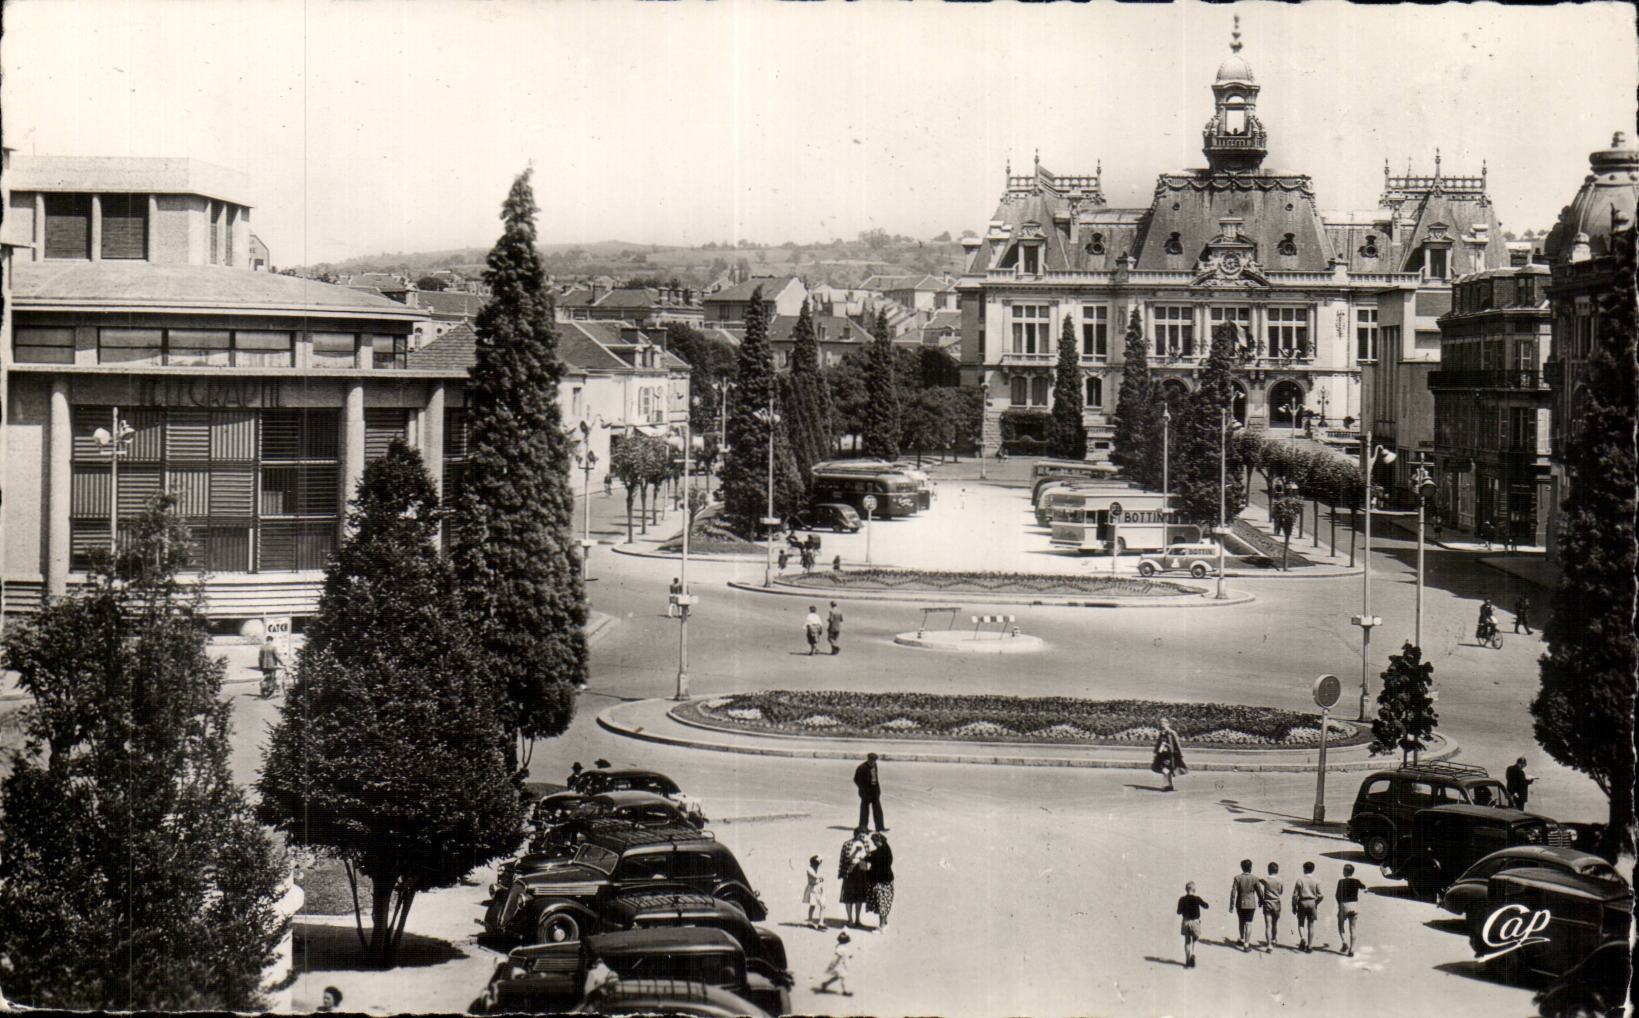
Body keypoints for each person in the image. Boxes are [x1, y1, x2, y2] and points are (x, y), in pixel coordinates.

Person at [838, 828, 872, 927]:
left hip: (861, 870)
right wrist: (855, 852)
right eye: (861, 835)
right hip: (850, 870)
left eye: (864, 835)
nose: (863, 837)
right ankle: (850, 919)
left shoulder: (865, 844)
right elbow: (844, 859)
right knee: (848, 895)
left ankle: (857, 919)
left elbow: (868, 856)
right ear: (856, 834)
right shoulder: (847, 844)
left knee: (859, 896)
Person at [1176, 881, 1210, 969]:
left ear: (1186, 889)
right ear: (1194, 890)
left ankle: (1187, 960)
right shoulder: (1197, 899)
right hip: (1195, 921)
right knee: (1195, 938)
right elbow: (1206, 906)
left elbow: (1178, 912)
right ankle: (1193, 954)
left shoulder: (1182, 899)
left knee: (1187, 941)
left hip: (1186, 921)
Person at [1292, 861, 1325, 952]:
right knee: (1311, 925)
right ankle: (1310, 946)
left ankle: (1302, 938)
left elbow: (1295, 895)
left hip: (1302, 902)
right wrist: (1316, 903)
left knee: (1301, 922)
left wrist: (1294, 905)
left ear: (1304, 869)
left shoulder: (1300, 880)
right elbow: (1321, 895)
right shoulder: (1317, 881)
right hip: (1312, 902)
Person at [1230, 859, 1261, 952]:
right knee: (1249, 922)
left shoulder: (1237, 878)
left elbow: (1233, 892)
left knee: (1241, 921)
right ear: (1250, 867)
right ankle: (1246, 943)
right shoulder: (1255, 878)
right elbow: (1259, 890)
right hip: (1251, 904)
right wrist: (1261, 900)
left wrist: (1231, 905)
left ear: (1242, 867)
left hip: (1240, 903)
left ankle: (1242, 938)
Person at [865, 832, 895, 930]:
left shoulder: (880, 852)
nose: (874, 844)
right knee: (884, 903)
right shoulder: (886, 849)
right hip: (887, 880)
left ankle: (882, 926)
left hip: (881, 881)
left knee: (881, 902)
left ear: (879, 841)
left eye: (875, 842)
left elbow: (873, 859)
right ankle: (884, 923)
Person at [1335, 863, 1365, 957]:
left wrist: (1340, 905)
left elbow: (1337, 895)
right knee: (1353, 928)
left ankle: (1344, 942)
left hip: (1344, 905)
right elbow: (1363, 886)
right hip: (1353, 906)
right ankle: (1352, 949)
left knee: (1340, 925)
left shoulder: (1341, 882)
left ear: (1345, 872)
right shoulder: (1356, 881)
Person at [1150, 717, 1186, 791]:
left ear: (1167, 724)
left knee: (1166, 769)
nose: (1162, 725)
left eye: (1163, 723)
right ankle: (1168, 784)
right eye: (1161, 723)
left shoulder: (1171, 733)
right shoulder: (1162, 733)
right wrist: (1155, 751)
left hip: (1170, 754)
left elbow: (1177, 744)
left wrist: (1180, 754)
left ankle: (1167, 785)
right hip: (1162, 754)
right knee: (1166, 769)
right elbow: (1158, 743)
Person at [814, 931, 854, 996]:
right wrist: (832, 964)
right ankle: (845, 991)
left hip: (842, 964)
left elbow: (845, 954)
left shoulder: (842, 947)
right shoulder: (841, 948)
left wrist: (849, 956)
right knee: (843, 978)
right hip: (840, 965)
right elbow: (836, 957)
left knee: (837, 977)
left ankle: (825, 984)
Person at [854, 753, 885, 832]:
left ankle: (880, 827)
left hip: (874, 791)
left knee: (877, 810)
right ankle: (863, 827)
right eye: (871, 760)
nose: (873, 762)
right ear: (868, 759)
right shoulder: (862, 768)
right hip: (866, 792)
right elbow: (856, 779)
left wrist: (878, 790)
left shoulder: (875, 766)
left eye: (874, 760)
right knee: (865, 810)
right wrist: (863, 788)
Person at [1258, 862, 1284, 951]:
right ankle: (1274, 939)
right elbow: (1281, 892)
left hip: (1267, 903)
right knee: (1274, 924)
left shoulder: (1266, 880)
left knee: (1268, 925)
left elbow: (1259, 880)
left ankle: (1269, 945)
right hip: (1276, 903)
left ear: (1268, 870)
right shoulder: (1280, 880)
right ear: (1277, 870)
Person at [804, 854, 827, 930]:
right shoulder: (809, 869)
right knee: (813, 905)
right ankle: (810, 921)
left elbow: (820, 878)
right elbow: (816, 877)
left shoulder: (818, 869)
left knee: (823, 905)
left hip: (819, 889)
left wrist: (820, 879)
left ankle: (821, 922)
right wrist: (820, 879)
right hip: (813, 889)